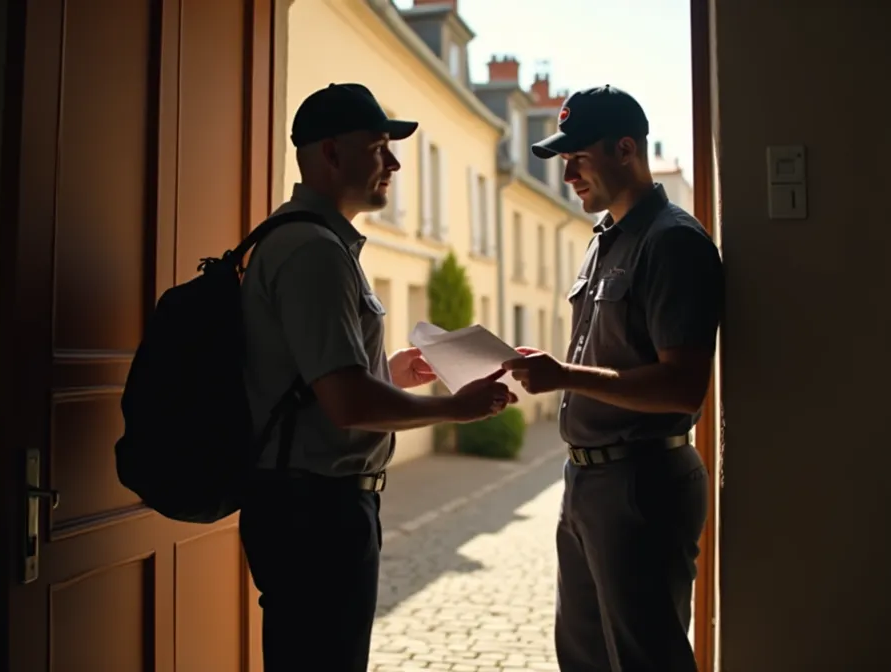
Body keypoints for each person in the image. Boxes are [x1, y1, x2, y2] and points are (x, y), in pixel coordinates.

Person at [238, 82, 517, 672]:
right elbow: (345, 403)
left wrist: (382, 374)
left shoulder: (314, 242)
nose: (393, 162)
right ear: (332, 154)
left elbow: (319, 382)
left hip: (309, 505)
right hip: (314, 511)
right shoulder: (314, 251)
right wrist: (454, 409)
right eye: (379, 146)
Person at [502, 85, 724, 672]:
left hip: (642, 484)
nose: (568, 173)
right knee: (584, 659)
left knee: (644, 660)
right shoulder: (605, 239)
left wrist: (563, 375)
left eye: (578, 158)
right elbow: (614, 355)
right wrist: (554, 368)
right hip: (586, 483)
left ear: (625, 148)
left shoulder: (673, 242)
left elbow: (682, 385)